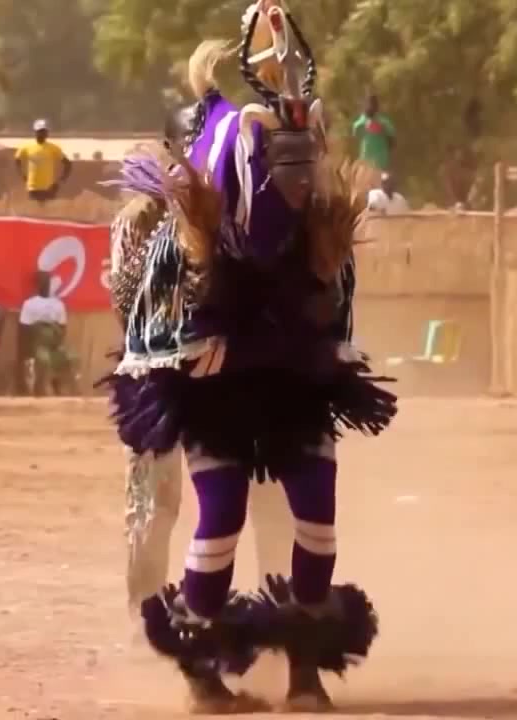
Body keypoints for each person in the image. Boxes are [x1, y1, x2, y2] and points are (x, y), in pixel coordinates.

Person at [103, 1, 395, 711]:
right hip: (205, 391)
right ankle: (198, 666)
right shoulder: (163, 240)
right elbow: (146, 326)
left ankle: (302, 667)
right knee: (199, 513)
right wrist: (193, 349)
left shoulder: (313, 234)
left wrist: (315, 345)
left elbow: (332, 301)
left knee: (302, 512)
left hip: (284, 381)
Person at [109, 100, 296, 625]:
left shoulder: (249, 209)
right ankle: (148, 617)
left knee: (269, 498)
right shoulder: (140, 219)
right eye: (197, 143)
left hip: (238, 378)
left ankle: (278, 614)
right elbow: (127, 300)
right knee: (154, 504)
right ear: (173, 151)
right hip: (158, 379)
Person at [19, 271, 73, 395]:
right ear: (37, 285)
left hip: (54, 341)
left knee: (70, 358)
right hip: (37, 341)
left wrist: (58, 344)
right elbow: (25, 328)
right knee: (42, 361)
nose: (45, 284)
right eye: (42, 282)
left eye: (47, 282)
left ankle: (59, 390)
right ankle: (38, 392)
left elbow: (62, 327)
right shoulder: (29, 304)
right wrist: (28, 349)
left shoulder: (58, 304)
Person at [14, 119, 72, 202]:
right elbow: (17, 160)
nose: (43, 133)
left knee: (49, 209)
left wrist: (61, 181)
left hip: (49, 188)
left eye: (45, 131)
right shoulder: (26, 147)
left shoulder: (53, 148)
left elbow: (68, 164)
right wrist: (22, 174)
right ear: (35, 132)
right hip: (32, 188)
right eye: (40, 131)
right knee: (33, 209)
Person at [351, 92, 396, 171]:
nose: (370, 107)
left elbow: (392, 141)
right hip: (366, 162)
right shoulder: (360, 123)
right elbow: (355, 134)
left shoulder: (384, 123)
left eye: (373, 104)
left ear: (377, 107)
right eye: (368, 104)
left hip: (380, 162)